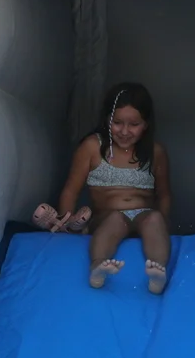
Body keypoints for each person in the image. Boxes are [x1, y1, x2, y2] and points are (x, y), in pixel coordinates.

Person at [39, 82, 173, 294]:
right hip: (106, 217)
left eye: (134, 124)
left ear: (146, 124)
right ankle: (98, 267)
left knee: (154, 218)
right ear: (106, 119)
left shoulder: (155, 152)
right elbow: (71, 190)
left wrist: (164, 224)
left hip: (144, 216)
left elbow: (164, 195)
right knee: (116, 219)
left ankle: (158, 272)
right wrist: (66, 223)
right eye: (117, 123)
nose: (125, 131)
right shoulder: (92, 147)